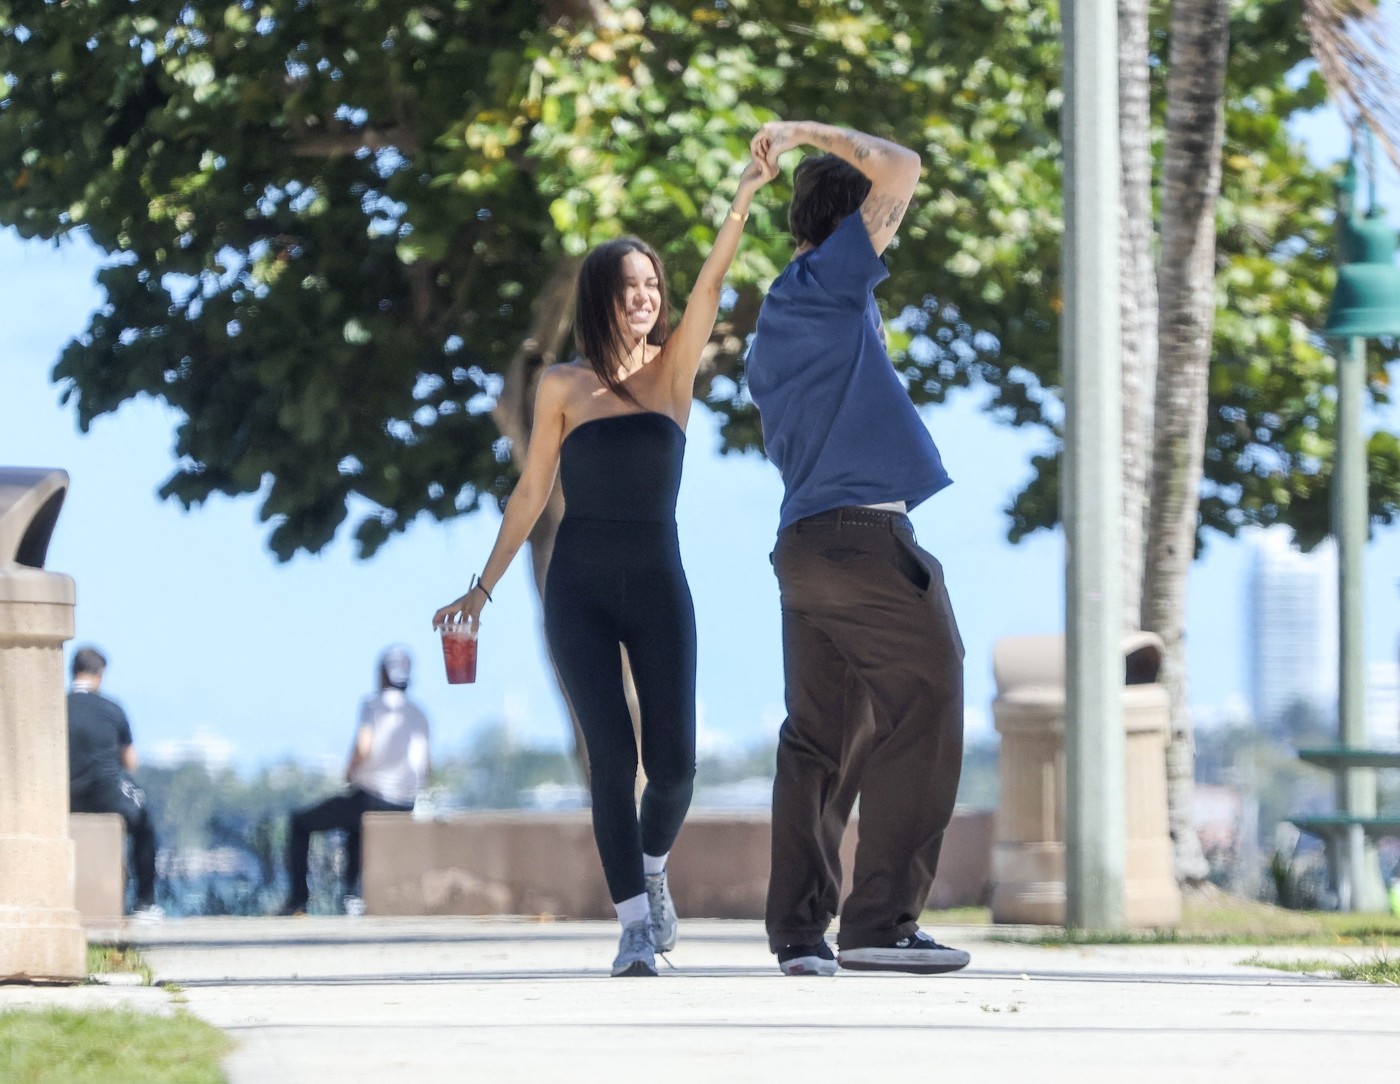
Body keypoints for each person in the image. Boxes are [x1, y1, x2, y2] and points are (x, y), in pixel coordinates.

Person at [433, 156, 777, 977]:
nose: (645, 297)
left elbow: (709, 292)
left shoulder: (673, 372)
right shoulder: (560, 386)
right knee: (611, 760)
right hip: (578, 586)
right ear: (601, 297)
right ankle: (631, 928)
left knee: (677, 767)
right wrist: (479, 590)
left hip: (658, 580)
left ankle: (651, 871)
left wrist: (742, 201)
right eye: (629, 286)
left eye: (652, 284)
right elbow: (528, 497)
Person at [745, 119, 970, 976]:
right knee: (929, 701)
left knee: (820, 740)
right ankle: (881, 923)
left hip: (804, 550)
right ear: (851, 226)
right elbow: (902, 167)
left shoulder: (783, 315)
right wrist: (801, 134)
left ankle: (801, 935)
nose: (893, 236)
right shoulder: (828, 284)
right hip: (863, 543)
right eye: (885, 225)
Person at [281, 645, 430, 916]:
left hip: (370, 798)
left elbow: (363, 746)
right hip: (405, 805)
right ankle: (351, 895)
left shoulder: (374, 705)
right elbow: (425, 767)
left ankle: (298, 900)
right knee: (353, 823)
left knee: (301, 823)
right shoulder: (420, 714)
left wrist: (350, 772)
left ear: (382, 675)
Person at [66, 645, 162, 919]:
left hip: (66, 795)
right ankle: (145, 902)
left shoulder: (57, 706)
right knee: (145, 822)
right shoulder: (112, 708)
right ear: (100, 674)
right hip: (106, 793)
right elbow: (131, 762)